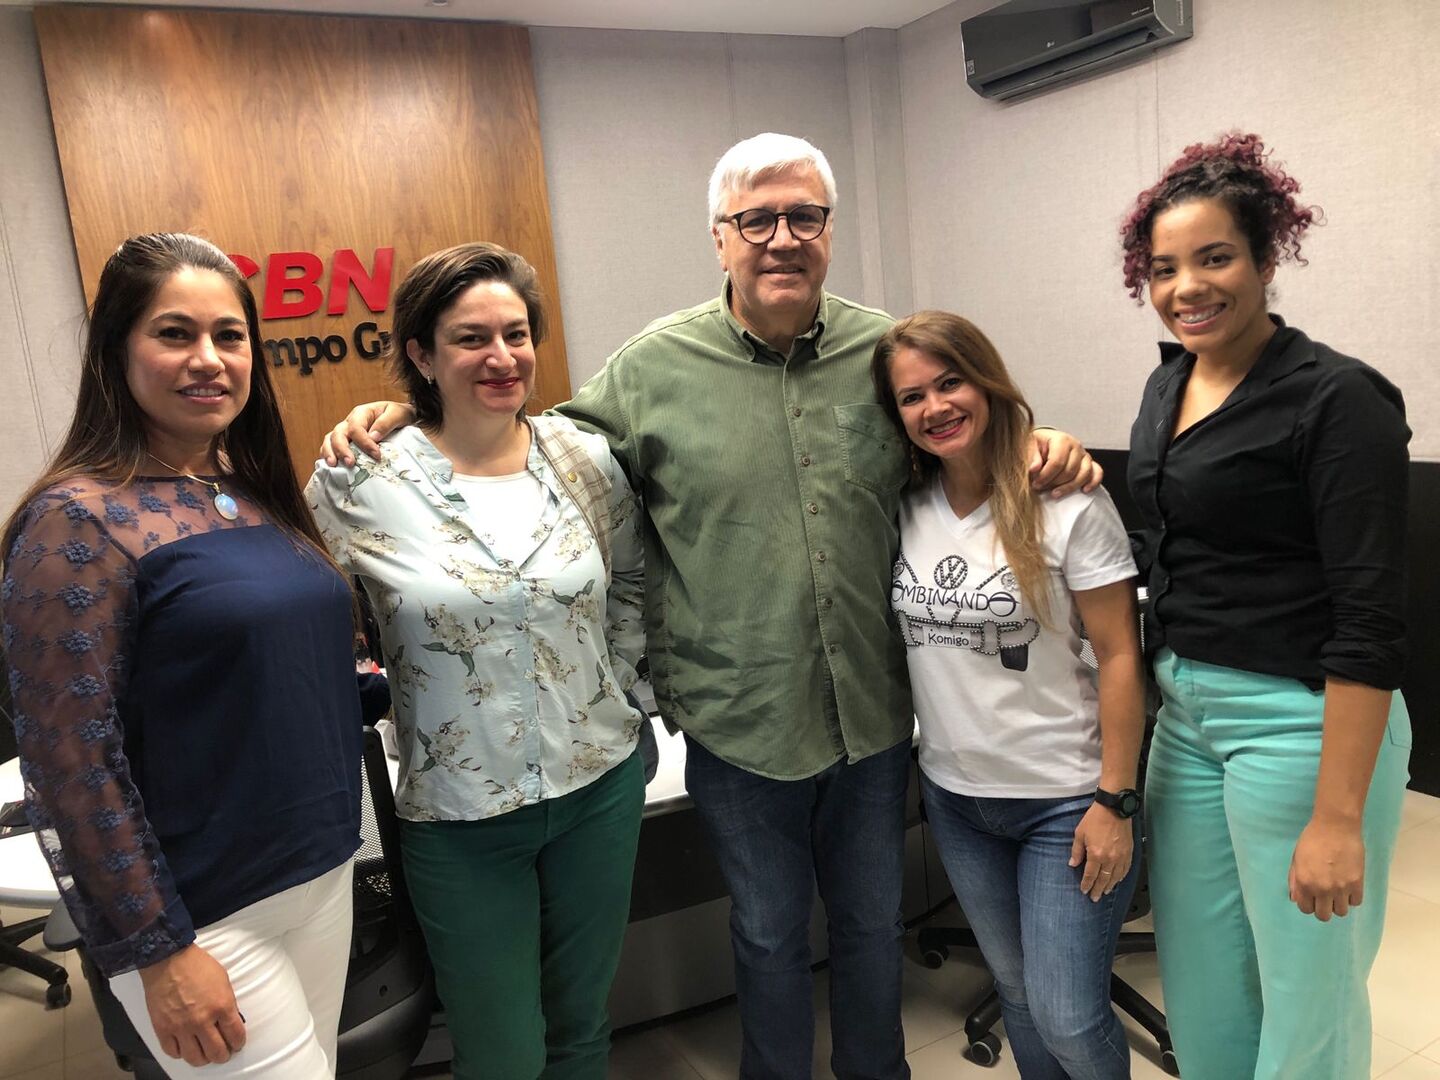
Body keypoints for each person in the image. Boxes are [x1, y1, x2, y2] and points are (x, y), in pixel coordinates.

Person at [321, 133, 1100, 1080]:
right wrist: (405, 411)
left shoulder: (879, 350)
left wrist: (1040, 436)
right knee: (770, 937)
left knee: (868, 925)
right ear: (719, 239)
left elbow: (961, 425)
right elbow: (522, 440)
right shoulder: (651, 369)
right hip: (740, 722)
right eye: (755, 220)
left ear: (828, 229)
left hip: (875, 713)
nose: (782, 238)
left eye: (803, 217)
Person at [0, 233, 366, 1078]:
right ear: (117, 350)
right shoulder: (77, 519)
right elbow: (68, 766)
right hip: (202, 914)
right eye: (175, 333)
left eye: (230, 336)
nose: (209, 359)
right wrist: (157, 951)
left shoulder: (244, 490)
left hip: (318, 874)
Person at [305, 241, 647, 1080]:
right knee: (502, 1052)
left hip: (599, 784)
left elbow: (632, 580)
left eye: (516, 333)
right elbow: (304, 625)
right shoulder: (360, 479)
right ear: (420, 355)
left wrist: (627, 688)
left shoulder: (582, 459)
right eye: (470, 338)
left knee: (583, 1028)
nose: (502, 358)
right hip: (460, 814)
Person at [1119, 133, 1411, 1080]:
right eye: (1164, 269)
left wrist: (1338, 816)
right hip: (1188, 718)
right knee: (1204, 985)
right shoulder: (1170, 381)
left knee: (1306, 994)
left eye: (1215, 258)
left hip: (1301, 721)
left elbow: (1371, 616)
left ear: (1267, 258)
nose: (1187, 288)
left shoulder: (1337, 399)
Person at [874, 311, 1144, 1080]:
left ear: (987, 383)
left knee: (1067, 1012)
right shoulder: (906, 506)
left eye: (950, 382)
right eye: (912, 396)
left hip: (1066, 799)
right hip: (959, 800)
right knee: (1019, 995)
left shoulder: (1066, 502)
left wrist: (1115, 802)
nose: (935, 407)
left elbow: (1122, 657)